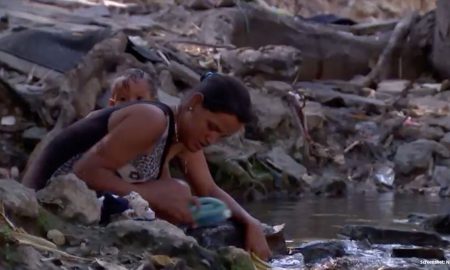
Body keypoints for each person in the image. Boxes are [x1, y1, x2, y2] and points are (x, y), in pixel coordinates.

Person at [22, 73, 272, 260]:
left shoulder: (184, 139)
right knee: (175, 192)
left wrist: (251, 224)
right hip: (44, 202)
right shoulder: (152, 119)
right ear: (194, 103)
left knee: (184, 198)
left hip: (92, 207)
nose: (211, 139)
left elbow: (208, 188)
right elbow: (84, 172)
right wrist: (155, 196)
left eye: (221, 137)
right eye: (212, 127)